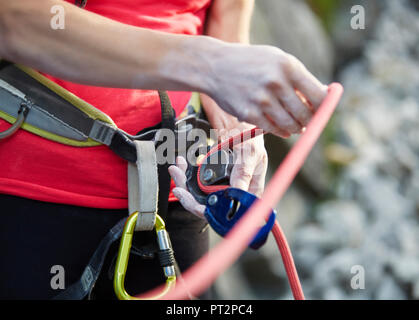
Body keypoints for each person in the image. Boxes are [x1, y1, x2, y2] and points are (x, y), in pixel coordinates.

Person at [0, 0, 327, 299]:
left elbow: (224, 14)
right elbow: (12, 22)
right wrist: (208, 65)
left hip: (176, 192)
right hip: (39, 197)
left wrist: (236, 121)